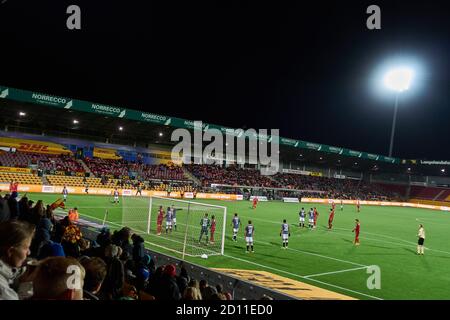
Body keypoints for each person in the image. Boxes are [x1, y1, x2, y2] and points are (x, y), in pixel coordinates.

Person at [0, 220, 36, 300]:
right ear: (10, 251)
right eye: (26, 248)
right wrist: (26, 283)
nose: (29, 252)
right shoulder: (4, 292)